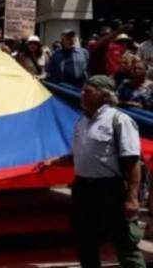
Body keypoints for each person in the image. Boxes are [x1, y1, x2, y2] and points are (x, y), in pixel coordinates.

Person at [40, 76, 146, 267]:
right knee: (84, 241)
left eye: (87, 91)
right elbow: (78, 155)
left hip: (109, 190)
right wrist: (55, 161)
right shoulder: (82, 122)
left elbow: (132, 161)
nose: (82, 94)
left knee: (124, 242)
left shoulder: (120, 120)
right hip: (83, 190)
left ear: (103, 95)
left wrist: (132, 198)